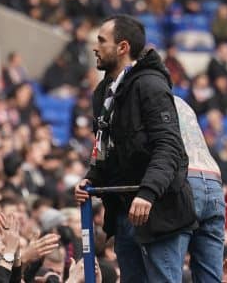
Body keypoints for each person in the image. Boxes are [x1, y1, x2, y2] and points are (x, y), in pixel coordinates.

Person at [74, 15, 196, 283]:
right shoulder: (102, 93)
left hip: (157, 211)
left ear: (123, 47)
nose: (95, 47)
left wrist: (148, 193)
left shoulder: (150, 85)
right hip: (123, 212)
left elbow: (169, 146)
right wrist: (91, 178)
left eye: (101, 41)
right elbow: (106, 150)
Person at [174, 97, 225, 283]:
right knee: (211, 276)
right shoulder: (182, 102)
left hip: (185, 179)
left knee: (169, 270)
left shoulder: (147, 95)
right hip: (213, 180)